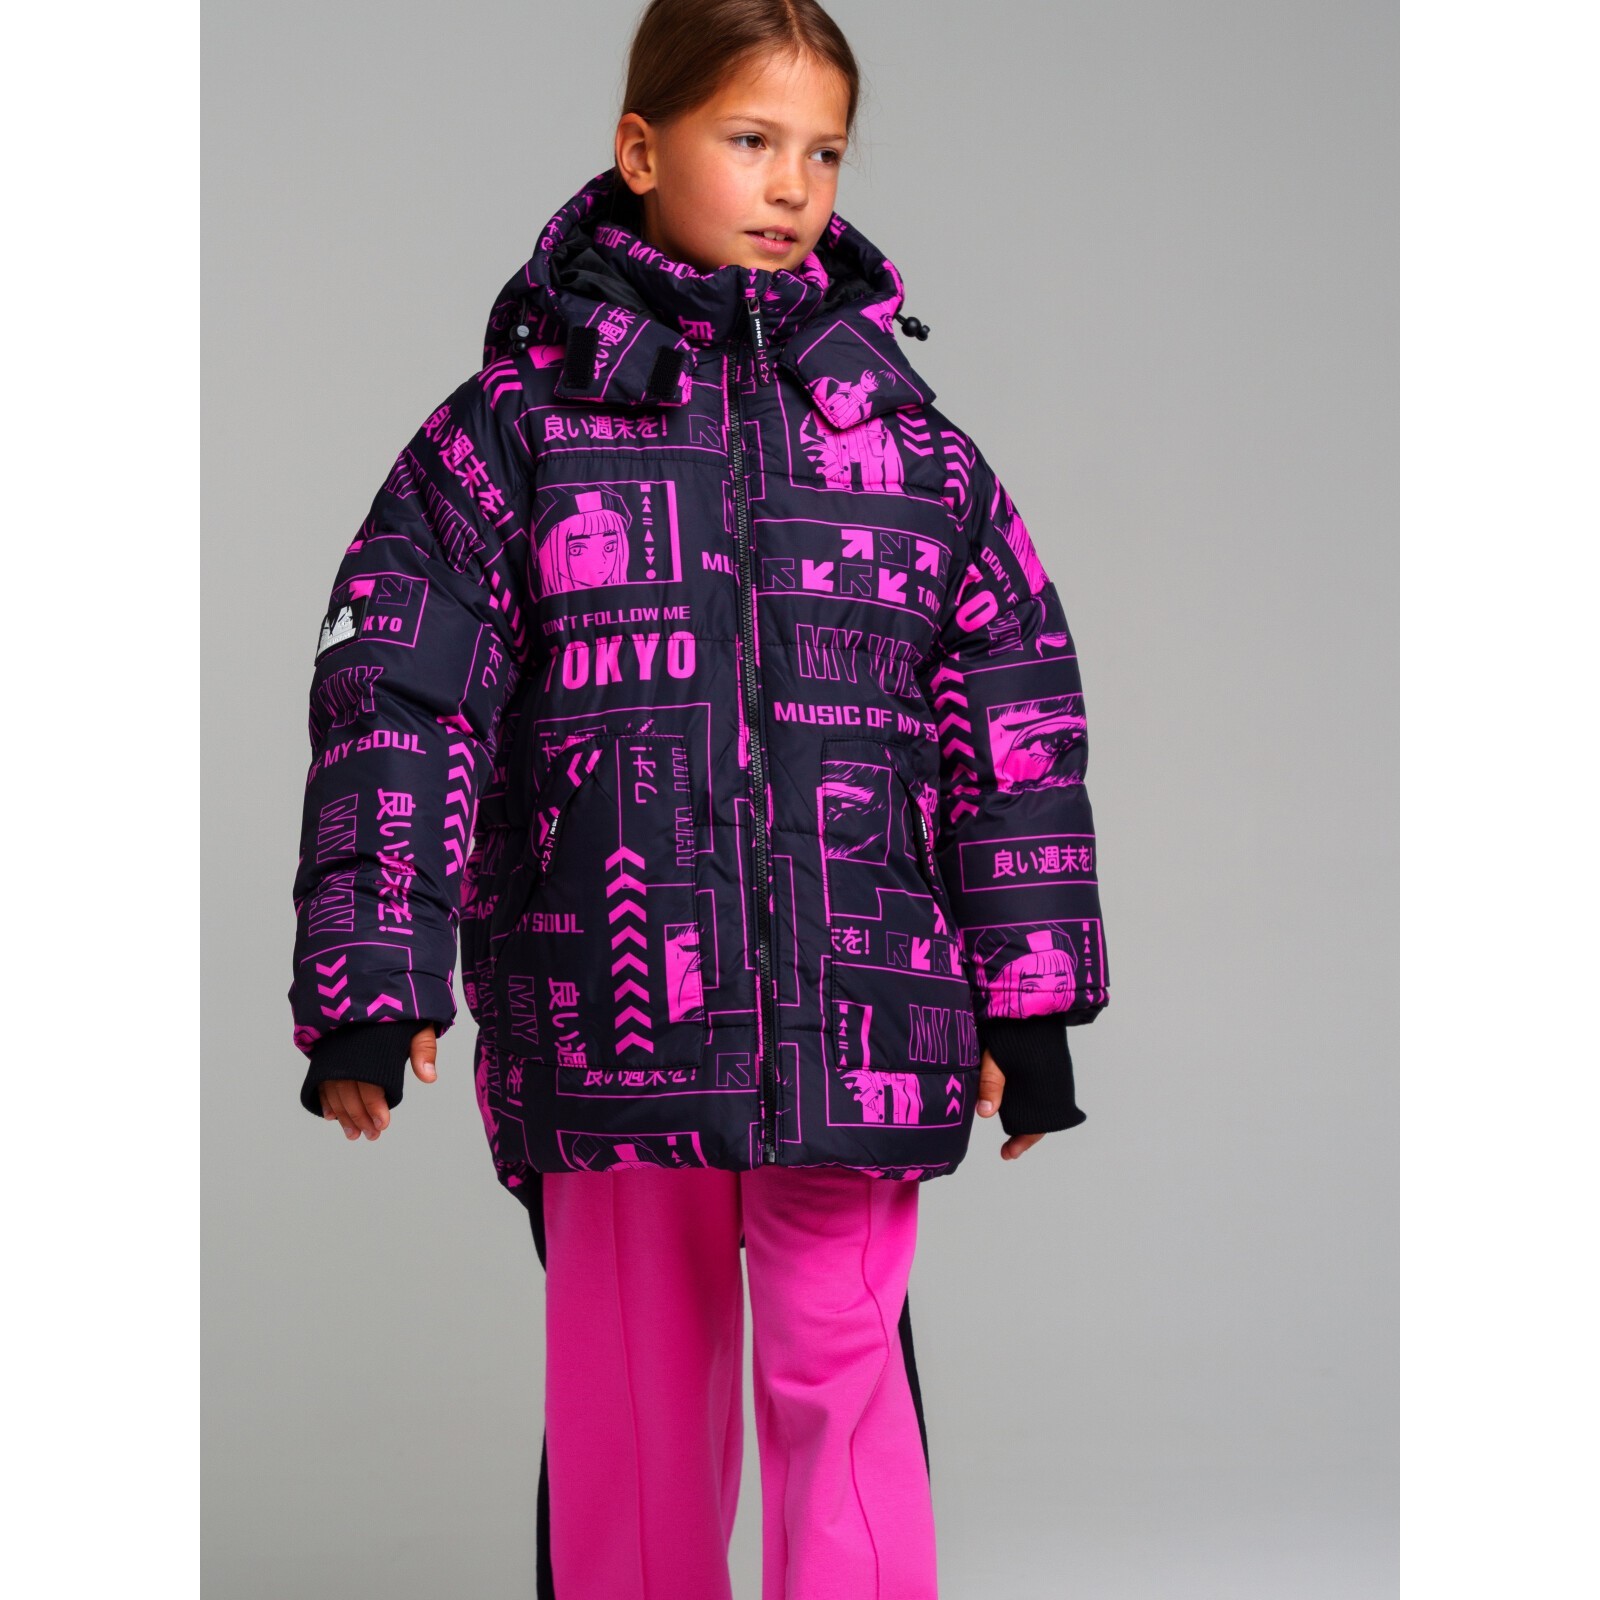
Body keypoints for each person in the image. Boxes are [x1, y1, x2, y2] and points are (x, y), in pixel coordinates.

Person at [286, 2, 1111, 1594]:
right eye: (751, 139)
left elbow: (1014, 722)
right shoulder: (512, 438)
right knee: (635, 1416)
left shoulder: (912, 458)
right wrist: (370, 985)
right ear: (642, 149)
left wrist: (1029, 999)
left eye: (824, 152)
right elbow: (398, 693)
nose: (793, 184)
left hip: (860, 1020)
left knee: (845, 1388)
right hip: (609, 1028)